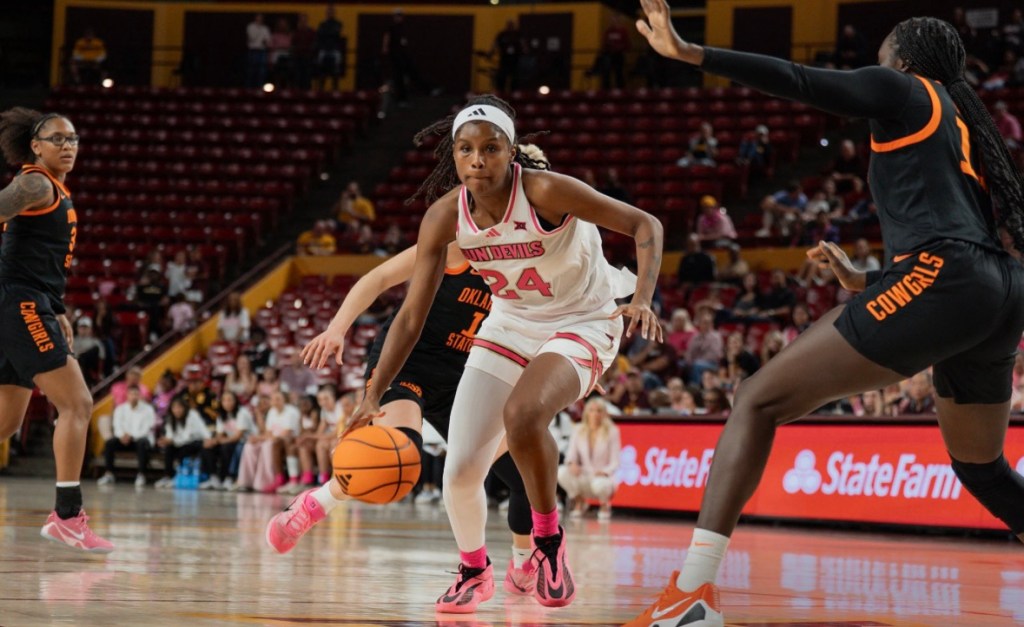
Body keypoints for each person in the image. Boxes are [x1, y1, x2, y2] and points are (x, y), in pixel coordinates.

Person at [629, 5, 1024, 626]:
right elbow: (959, 237)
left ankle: (691, 595)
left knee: (756, 398)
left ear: (904, 59)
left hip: (949, 278)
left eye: (884, 47)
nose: (877, 58)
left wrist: (692, 53)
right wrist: (863, 280)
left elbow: (801, 80)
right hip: (998, 289)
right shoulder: (961, 120)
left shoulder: (904, 89)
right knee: (982, 467)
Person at [333, 96, 662, 612]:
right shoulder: (445, 216)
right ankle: (474, 571)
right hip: (510, 323)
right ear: (454, 156)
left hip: (584, 319)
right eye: (465, 149)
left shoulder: (547, 191)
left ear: (511, 152)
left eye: (491, 148)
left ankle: (548, 543)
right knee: (461, 467)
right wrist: (373, 395)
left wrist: (641, 298)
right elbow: (411, 317)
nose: (478, 159)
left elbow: (647, 225)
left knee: (523, 414)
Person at [266, 236, 540, 601]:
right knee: (399, 454)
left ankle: (523, 563)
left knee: (524, 476)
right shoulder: (459, 246)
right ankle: (316, 504)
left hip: (463, 377)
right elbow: (378, 278)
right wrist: (337, 328)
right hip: (404, 362)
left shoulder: (528, 271)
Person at [0, 108, 113, 552]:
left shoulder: (52, 187)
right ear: (35, 146)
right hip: (20, 304)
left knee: (7, 422)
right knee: (77, 403)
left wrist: (57, 308)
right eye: (57, 139)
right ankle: (67, 516)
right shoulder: (36, 184)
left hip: (28, 302)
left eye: (73, 139)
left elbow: (36, 258)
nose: (68, 146)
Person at [557, 397, 621, 521]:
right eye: (592, 410)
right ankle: (579, 502)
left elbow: (615, 461)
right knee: (562, 472)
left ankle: (604, 506)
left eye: (599, 411)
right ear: (586, 413)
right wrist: (572, 463)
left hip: (602, 476)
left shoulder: (612, 431)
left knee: (600, 484)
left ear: (604, 414)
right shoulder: (578, 429)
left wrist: (605, 471)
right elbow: (571, 455)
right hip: (584, 473)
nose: (595, 414)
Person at [98, 384, 156, 488]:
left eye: (136, 394)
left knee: (142, 443)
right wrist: (122, 435)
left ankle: (141, 474)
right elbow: (117, 425)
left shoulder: (148, 409)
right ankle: (109, 474)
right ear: (127, 395)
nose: (134, 396)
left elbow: (147, 428)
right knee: (110, 443)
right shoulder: (120, 409)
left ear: (140, 395)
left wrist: (131, 436)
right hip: (124, 439)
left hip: (140, 439)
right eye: (131, 394)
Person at [199, 390, 256, 491]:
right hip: (229, 440)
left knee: (226, 448)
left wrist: (221, 441)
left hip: (244, 441)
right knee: (207, 447)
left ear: (235, 401)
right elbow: (219, 434)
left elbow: (238, 436)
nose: (227, 403)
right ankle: (214, 478)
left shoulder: (242, 412)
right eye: (224, 400)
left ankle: (228, 477)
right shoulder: (222, 415)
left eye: (230, 400)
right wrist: (213, 441)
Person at [154, 397, 210, 489]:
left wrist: (172, 440)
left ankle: (179, 476)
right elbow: (170, 436)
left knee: (183, 449)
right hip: (180, 444)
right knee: (168, 448)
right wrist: (165, 440)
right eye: (174, 408)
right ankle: (168, 476)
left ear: (184, 408)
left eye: (179, 407)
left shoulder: (192, 415)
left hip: (196, 442)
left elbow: (187, 437)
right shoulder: (170, 419)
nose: (177, 410)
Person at [315, 5, 345, 91]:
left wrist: (327, 34)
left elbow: (335, 34)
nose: (330, 13)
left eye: (331, 12)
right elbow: (320, 35)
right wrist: (329, 34)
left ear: (334, 13)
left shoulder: (338, 24)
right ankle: (320, 88)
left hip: (334, 49)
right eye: (328, 12)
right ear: (326, 13)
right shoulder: (322, 24)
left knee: (336, 68)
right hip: (324, 49)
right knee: (321, 67)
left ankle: (335, 88)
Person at [490, 20, 524, 93]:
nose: (510, 26)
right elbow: (495, 43)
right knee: (502, 76)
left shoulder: (517, 34)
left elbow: (523, 43)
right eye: (509, 25)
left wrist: (525, 51)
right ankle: (501, 92)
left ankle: (514, 92)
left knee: (515, 76)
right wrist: (491, 52)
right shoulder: (502, 34)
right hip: (504, 58)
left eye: (511, 25)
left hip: (515, 58)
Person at [245, 14, 272, 88]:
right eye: (258, 18)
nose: (259, 19)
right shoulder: (250, 26)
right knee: (251, 70)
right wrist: (259, 29)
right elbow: (252, 37)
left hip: (262, 51)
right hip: (253, 51)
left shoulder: (265, 28)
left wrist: (264, 40)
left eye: (261, 18)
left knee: (261, 70)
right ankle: (249, 88)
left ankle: (259, 87)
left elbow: (268, 40)